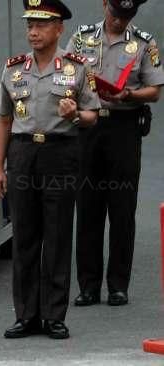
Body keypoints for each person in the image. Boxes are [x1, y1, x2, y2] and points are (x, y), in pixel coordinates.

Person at [0, 0, 100, 339]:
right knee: (24, 235)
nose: (33, 31)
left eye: (41, 24)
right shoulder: (13, 69)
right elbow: (3, 121)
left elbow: (92, 115)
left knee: (56, 234)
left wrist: (74, 115)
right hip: (23, 152)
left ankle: (54, 315)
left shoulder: (79, 69)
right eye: (30, 24)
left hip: (60, 151)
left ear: (59, 28)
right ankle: (26, 315)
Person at [66, 0, 164, 307]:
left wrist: (130, 94)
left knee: (122, 209)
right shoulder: (82, 37)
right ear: (104, 4)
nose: (119, 21)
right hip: (88, 127)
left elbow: (155, 90)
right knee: (88, 207)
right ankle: (88, 285)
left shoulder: (144, 43)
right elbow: (67, 74)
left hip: (123, 128)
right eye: (115, 13)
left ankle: (118, 285)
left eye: (126, 16)